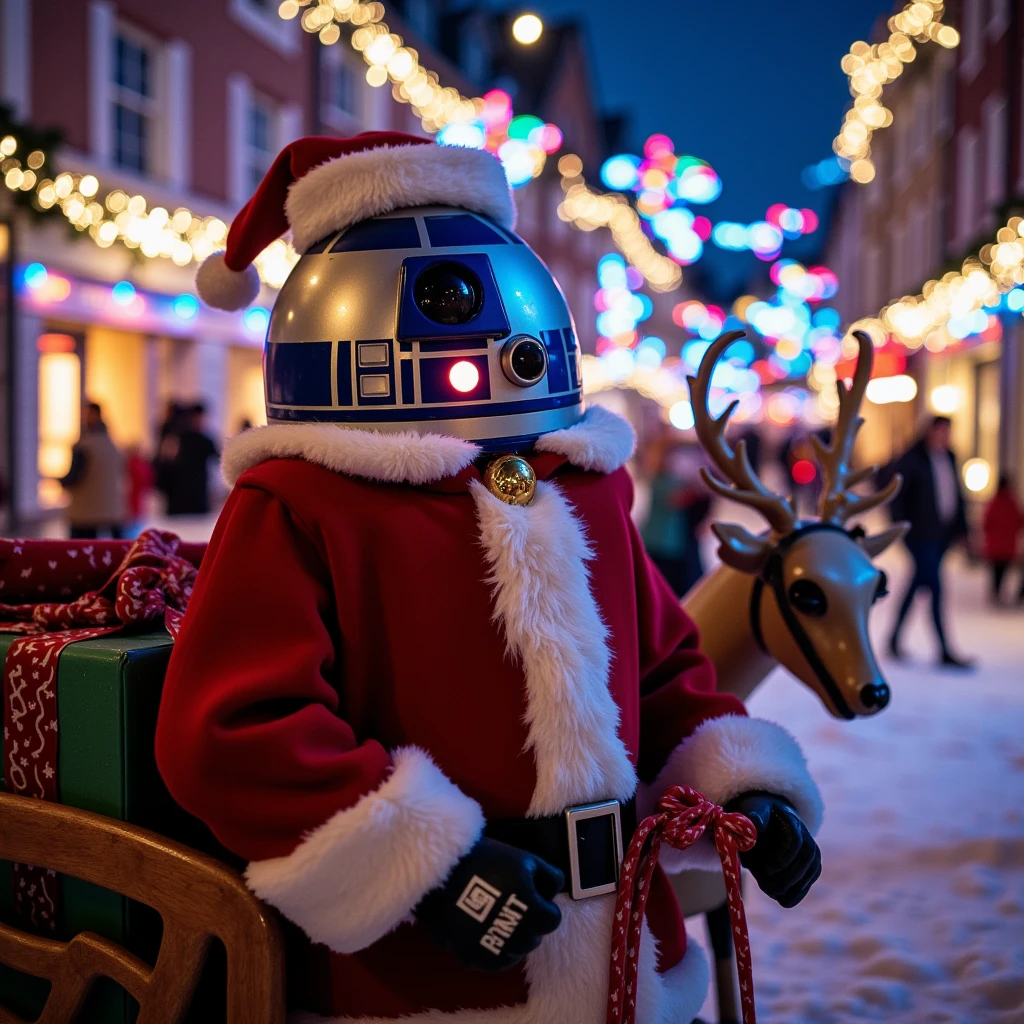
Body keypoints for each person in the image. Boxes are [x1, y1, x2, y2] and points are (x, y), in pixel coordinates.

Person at [155, 132, 823, 1024]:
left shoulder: (580, 488)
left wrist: (744, 791)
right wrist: (434, 870)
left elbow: (662, 681)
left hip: (628, 964)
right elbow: (235, 730)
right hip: (424, 987)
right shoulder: (305, 503)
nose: (467, 329)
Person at [886, 415, 972, 667]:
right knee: (935, 588)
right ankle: (944, 648)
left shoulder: (950, 458)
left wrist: (963, 529)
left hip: (941, 535)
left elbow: (957, 495)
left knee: (917, 585)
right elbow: (897, 498)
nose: (944, 437)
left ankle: (893, 639)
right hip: (920, 536)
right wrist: (902, 530)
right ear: (930, 432)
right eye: (941, 431)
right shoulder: (912, 460)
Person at [59, 401, 126, 539]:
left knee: (80, 551)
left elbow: (74, 477)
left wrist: (58, 480)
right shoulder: (112, 444)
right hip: (110, 507)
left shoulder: (84, 445)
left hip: (84, 510)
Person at [164, 402, 219, 516]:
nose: (199, 421)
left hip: (198, 497)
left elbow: (219, 459)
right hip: (179, 498)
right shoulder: (178, 439)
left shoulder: (206, 440)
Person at [982, 475, 1024, 604]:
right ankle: (997, 594)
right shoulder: (1011, 502)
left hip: (995, 545)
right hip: (1007, 545)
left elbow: (986, 523)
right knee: (1002, 571)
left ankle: (996, 594)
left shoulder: (994, 502)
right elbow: (1020, 521)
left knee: (996, 572)